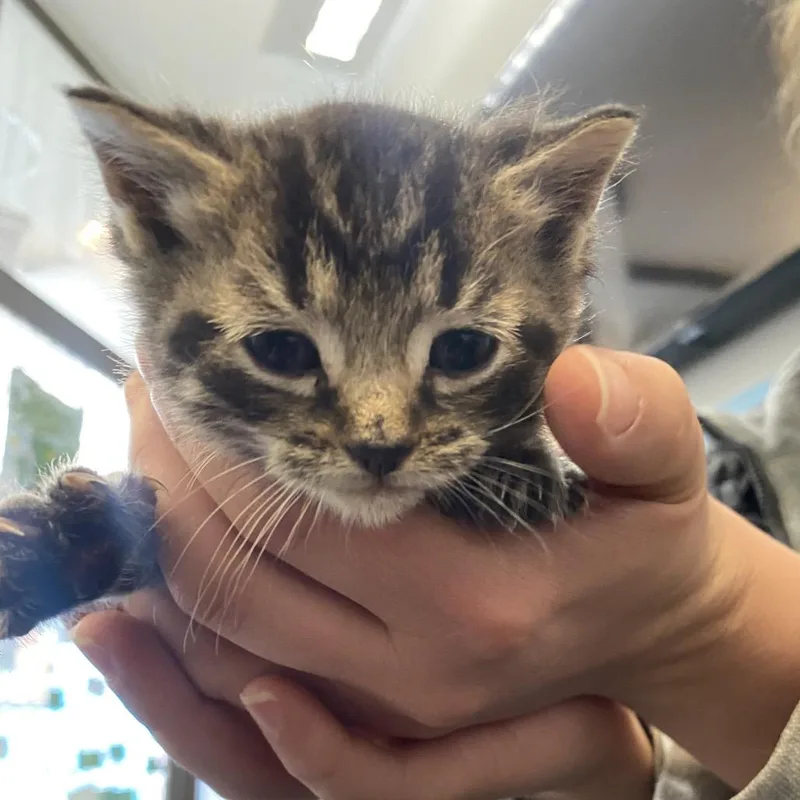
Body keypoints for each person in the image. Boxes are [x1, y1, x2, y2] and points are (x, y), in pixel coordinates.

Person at [69, 2, 800, 797]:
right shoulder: (738, 456)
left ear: (563, 241)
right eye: (283, 349)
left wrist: (703, 618)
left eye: (460, 349)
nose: (379, 432)